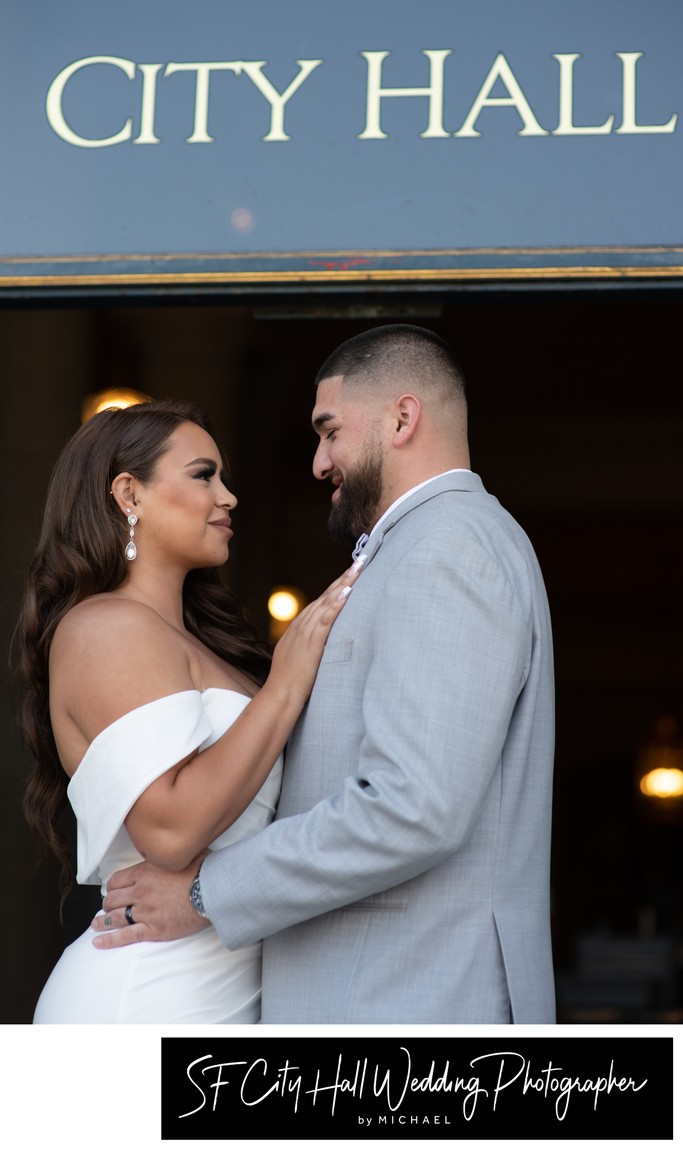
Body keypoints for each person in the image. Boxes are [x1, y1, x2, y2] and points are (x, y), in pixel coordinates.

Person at [93, 324, 557, 1023]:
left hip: (409, 1018)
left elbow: (410, 807)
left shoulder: (446, 547)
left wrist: (204, 892)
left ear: (402, 418)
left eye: (329, 431)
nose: (316, 462)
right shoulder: (425, 546)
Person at [14, 398, 358, 1023]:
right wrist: (286, 685)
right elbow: (168, 831)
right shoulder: (105, 627)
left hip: (219, 991)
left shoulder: (201, 646)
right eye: (204, 475)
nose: (228, 498)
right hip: (145, 998)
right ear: (128, 494)